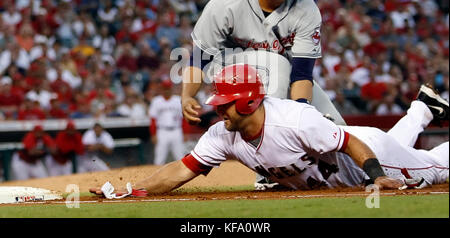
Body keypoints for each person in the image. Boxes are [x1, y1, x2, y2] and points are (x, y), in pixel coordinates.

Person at [90, 64, 449, 198]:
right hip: (340, 165)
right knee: (417, 154)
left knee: (433, 168)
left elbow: (350, 140)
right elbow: (180, 170)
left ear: (247, 102)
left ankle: (421, 117)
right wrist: (130, 189)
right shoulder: (222, 134)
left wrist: (377, 175)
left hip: (369, 155)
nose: (218, 107)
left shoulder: (294, 119)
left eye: (224, 102)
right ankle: (422, 109)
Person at [181, 0, 346, 189]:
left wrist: (301, 116)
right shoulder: (227, 3)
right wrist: (186, 97)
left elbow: (302, 74)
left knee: (335, 126)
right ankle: (267, 174)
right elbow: (199, 57)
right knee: (275, 64)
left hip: (282, 74)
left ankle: (357, 176)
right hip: (229, 74)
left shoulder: (305, 7)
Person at [148, 78, 185, 165]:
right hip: (162, 131)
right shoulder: (156, 101)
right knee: (159, 158)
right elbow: (153, 119)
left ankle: (183, 176)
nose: (167, 90)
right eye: (165, 88)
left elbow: (183, 118)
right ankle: (157, 177)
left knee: (180, 157)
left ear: (171, 89)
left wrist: (185, 132)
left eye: (168, 88)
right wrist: (153, 134)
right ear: (162, 89)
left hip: (176, 130)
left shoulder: (178, 100)